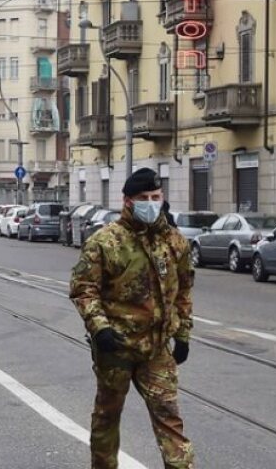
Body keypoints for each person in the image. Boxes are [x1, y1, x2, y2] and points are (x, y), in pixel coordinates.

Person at [70, 167, 194, 469]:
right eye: (144, 198)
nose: (151, 203)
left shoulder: (174, 241)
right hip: (117, 347)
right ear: (128, 201)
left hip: (156, 349)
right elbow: (84, 289)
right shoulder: (106, 241)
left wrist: (183, 335)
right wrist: (100, 328)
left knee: (169, 416)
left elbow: (184, 290)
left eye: (156, 196)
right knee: (107, 415)